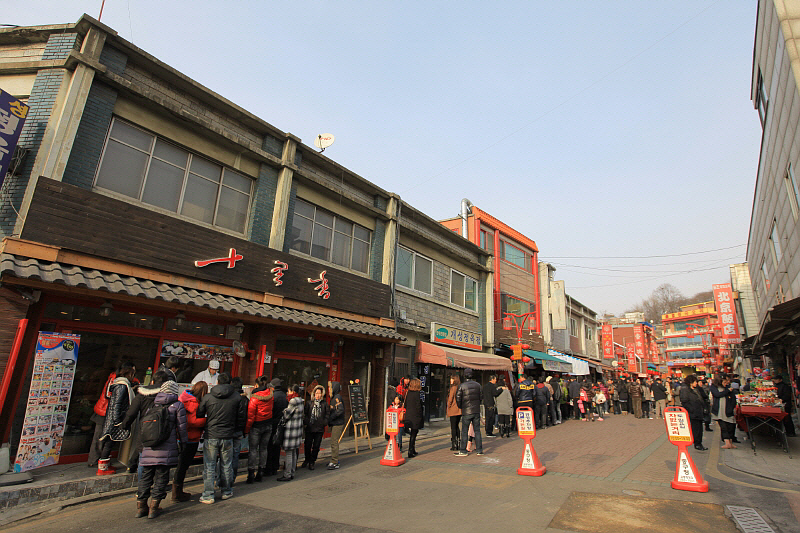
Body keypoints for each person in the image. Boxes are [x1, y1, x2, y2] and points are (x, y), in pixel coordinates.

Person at [130, 374, 188, 519]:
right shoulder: (177, 405)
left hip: (149, 446)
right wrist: (183, 443)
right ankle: (154, 508)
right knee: (162, 477)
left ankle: (141, 507)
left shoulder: (153, 405)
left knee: (146, 477)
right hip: (166, 448)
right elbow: (182, 428)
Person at [196, 372, 247, 504]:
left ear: (217, 382)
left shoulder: (208, 397)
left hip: (211, 434)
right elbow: (241, 417)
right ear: (230, 383)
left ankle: (208, 495)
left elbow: (199, 413)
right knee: (226, 464)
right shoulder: (237, 397)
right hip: (228, 435)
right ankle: (226, 491)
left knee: (209, 465)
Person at [97, 362, 136, 475]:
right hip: (114, 419)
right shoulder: (122, 386)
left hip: (112, 418)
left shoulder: (118, 384)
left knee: (110, 442)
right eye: (132, 374)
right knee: (109, 442)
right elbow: (117, 404)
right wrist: (117, 420)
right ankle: (102, 469)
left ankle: (105, 465)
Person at [174, 380, 207, 501]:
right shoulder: (193, 402)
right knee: (183, 465)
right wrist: (206, 421)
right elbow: (192, 421)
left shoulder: (184, 398)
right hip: (191, 437)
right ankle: (177, 493)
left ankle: (177, 491)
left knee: (181, 465)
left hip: (181, 436)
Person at [246, 375, 273, 483]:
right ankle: (261, 471)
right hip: (268, 423)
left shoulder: (254, 398)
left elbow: (251, 415)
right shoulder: (271, 395)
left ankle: (251, 473)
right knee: (263, 449)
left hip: (256, 425)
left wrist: (247, 429)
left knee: (253, 450)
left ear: (257, 385)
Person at [88, 367, 117, 467]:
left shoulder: (113, 378)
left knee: (102, 438)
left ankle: (99, 459)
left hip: (105, 410)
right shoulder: (114, 379)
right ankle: (94, 460)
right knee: (100, 437)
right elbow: (109, 395)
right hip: (104, 411)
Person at [455, 369, 483, 457]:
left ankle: (463, 450)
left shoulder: (462, 386)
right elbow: (481, 397)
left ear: (464, 375)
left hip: (466, 411)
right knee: (477, 431)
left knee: (464, 431)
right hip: (476, 410)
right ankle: (479, 450)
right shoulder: (478, 385)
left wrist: (461, 407)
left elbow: (458, 398)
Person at [277, 391, 304, 481]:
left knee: (289, 453)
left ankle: (287, 474)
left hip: (291, 431)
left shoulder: (293, 401)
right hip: (297, 430)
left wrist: (284, 411)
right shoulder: (300, 401)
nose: (287, 393)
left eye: (289, 391)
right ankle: (292, 472)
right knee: (293, 452)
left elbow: (287, 415)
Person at [302, 384, 329, 470]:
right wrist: (306, 422)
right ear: (314, 394)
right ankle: (307, 459)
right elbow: (305, 414)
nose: (318, 395)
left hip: (319, 428)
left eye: (319, 393)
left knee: (316, 446)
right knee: (307, 445)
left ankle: (312, 461)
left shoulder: (324, 404)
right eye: (316, 393)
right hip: (310, 427)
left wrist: (324, 422)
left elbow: (327, 414)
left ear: (322, 394)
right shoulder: (309, 403)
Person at [679, 374, 707, 451]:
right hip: (693, 413)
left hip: (699, 411)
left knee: (700, 429)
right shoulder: (685, 390)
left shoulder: (696, 389)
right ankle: (697, 444)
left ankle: (699, 443)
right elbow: (684, 401)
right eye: (695, 382)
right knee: (696, 429)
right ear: (691, 382)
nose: (696, 383)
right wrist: (692, 409)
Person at [266, 378, 288, 476]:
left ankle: (269, 467)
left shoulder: (272, 396)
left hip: (273, 423)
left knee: (270, 446)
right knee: (277, 445)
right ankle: (275, 466)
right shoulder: (284, 396)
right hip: (281, 423)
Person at [711, 374, 738, 449]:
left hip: (728, 410)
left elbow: (733, 397)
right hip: (719, 410)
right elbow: (717, 395)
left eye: (727, 381)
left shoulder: (728, 387)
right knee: (724, 426)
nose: (726, 383)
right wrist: (727, 391)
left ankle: (730, 442)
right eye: (725, 382)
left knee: (731, 426)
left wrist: (732, 407)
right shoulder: (714, 387)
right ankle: (727, 442)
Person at [230, 376, 249, 479]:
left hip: (229, 430)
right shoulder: (245, 399)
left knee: (225, 456)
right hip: (239, 430)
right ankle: (232, 478)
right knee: (235, 455)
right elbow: (248, 416)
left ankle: (223, 480)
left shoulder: (230, 398)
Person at [327, 381, 346, 470]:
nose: (329, 389)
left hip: (338, 423)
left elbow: (340, 410)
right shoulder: (334, 397)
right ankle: (334, 460)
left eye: (330, 387)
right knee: (333, 442)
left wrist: (331, 417)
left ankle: (334, 462)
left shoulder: (337, 397)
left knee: (334, 442)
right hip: (335, 422)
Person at [404, 378, 424, 458]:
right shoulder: (417, 394)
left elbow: (405, 404)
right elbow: (418, 406)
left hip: (409, 415)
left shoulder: (408, 393)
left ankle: (412, 449)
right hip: (415, 416)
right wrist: (420, 414)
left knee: (413, 433)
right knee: (414, 433)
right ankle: (410, 450)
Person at [446, 374, 462, 450]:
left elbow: (450, 399)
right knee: (457, 426)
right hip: (459, 410)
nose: (450, 380)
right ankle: (458, 442)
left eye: (452, 379)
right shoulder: (460, 387)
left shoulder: (453, 388)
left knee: (453, 427)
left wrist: (448, 407)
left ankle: (454, 444)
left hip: (453, 409)